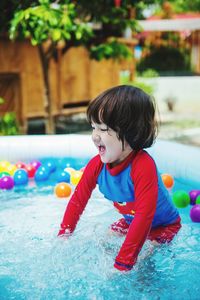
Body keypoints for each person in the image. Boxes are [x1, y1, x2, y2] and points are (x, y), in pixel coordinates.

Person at [58, 85, 181, 271]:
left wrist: (123, 264)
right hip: (129, 221)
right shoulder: (97, 165)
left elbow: (144, 216)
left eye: (102, 129)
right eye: (93, 127)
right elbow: (78, 200)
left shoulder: (143, 166)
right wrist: (64, 234)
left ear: (132, 132)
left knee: (142, 263)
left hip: (164, 226)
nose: (94, 136)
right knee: (102, 244)